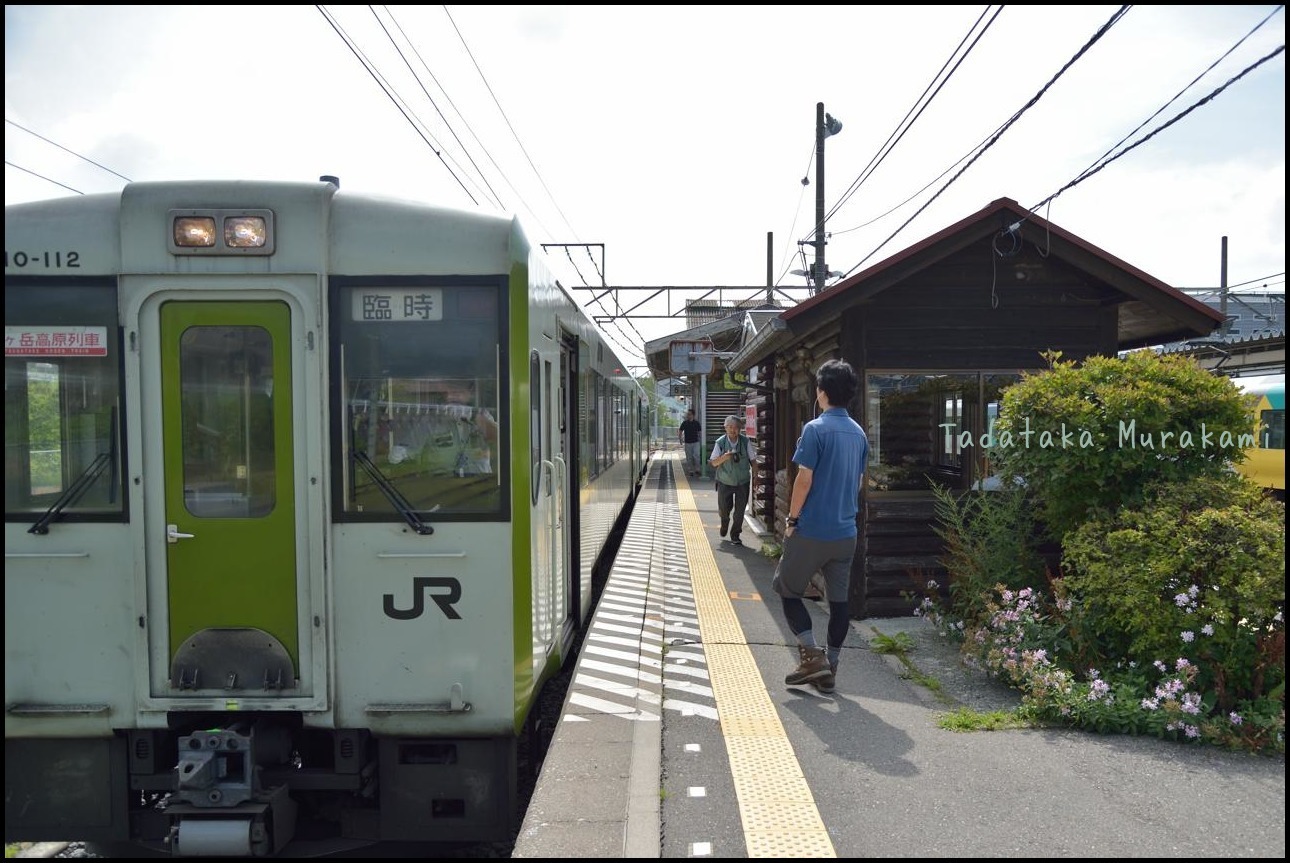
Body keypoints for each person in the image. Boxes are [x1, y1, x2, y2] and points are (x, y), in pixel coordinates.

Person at [771, 359, 869, 695]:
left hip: (812, 530)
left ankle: (812, 657)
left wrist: (792, 520)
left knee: (787, 589)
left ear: (821, 392)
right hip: (845, 534)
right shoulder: (858, 434)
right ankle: (831, 667)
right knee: (839, 603)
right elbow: (857, 483)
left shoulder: (815, 429)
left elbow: (803, 480)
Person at [709, 415, 756, 547]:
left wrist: (756, 477)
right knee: (724, 509)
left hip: (742, 481)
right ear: (725, 428)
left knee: (740, 511)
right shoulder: (720, 443)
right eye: (730, 427)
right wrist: (725, 457)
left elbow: (753, 460)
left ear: (740, 429)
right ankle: (724, 523)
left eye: (736, 427)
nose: (733, 430)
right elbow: (713, 462)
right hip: (724, 481)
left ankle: (735, 535)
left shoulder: (745, 442)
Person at [679, 409, 702, 477]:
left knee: (696, 456)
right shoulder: (685, 423)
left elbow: (699, 432)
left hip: (696, 442)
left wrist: (700, 440)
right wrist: (680, 439)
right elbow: (680, 431)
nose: (688, 416)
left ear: (693, 415)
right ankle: (690, 470)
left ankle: (697, 469)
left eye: (689, 414)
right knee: (689, 457)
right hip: (687, 442)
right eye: (687, 414)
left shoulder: (697, 423)